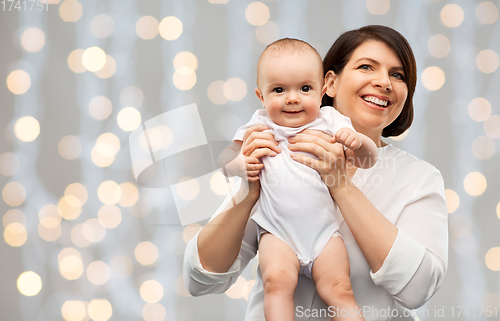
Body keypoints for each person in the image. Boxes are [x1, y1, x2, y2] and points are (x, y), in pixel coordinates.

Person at [183, 25, 448, 321]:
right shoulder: (276, 149)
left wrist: (342, 186)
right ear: (330, 84)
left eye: (397, 75)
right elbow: (200, 279)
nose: (384, 82)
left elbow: (419, 288)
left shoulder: (419, 178)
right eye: (366, 67)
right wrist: (247, 192)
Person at [219, 38, 376, 321]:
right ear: (261, 96)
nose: (293, 98)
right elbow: (224, 162)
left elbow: (369, 160)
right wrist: (239, 164)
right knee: (276, 285)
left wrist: (358, 142)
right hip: (277, 233)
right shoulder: (259, 124)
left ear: (323, 89)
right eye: (279, 90)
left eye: (305, 88)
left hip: (324, 234)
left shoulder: (331, 121)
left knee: (339, 289)